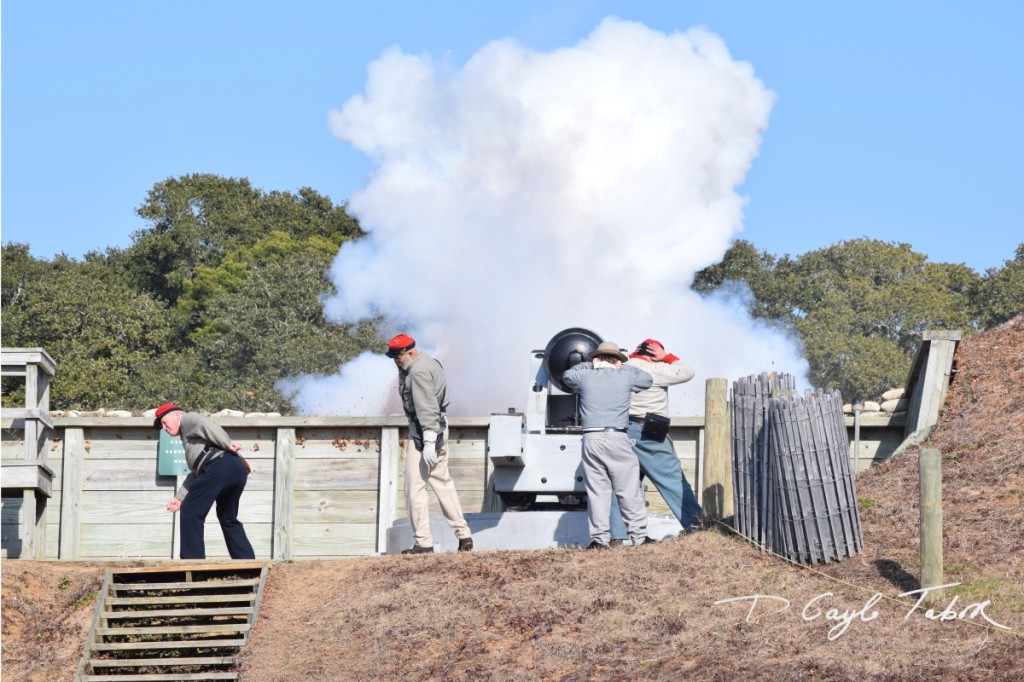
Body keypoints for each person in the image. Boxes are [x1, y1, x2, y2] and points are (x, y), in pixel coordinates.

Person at [609, 339, 705, 541]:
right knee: (672, 479)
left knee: (623, 484)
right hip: (648, 432)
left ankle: (617, 536)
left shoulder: (620, 370)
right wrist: (666, 357)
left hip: (620, 431)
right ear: (653, 353)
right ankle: (696, 524)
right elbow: (687, 371)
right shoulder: (654, 369)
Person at [562, 340, 654, 549]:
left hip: (590, 438)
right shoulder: (626, 375)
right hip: (617, 436)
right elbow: (647, 380)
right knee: (628, 489)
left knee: (597, 491)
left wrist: (588, 364)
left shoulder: (585, 374)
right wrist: (623, 365)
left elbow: (567, 376)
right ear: (617, 360)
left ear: (596, 358)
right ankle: (639, 537)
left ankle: (599, 540)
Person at [386, 333, 473, 554]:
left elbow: (426, 408)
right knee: (443, 483)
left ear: (410, 352)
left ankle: (423, 542)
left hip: (425, 432)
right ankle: (464, 536)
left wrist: (427, 441)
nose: (396, 360)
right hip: (440, 427)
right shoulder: (430, 362)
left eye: (398, 356)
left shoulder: (418, 372)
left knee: (414, 489)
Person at [157, 403, 256, 560]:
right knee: (228, 518)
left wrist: (227, 443)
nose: (164, 428)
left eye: (164, 422)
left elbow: (203, 422)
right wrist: (179, 498)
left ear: (176, 415)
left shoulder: (187, 419)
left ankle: (192, 564)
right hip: (235, 468)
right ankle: (247, 563)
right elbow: (197, 473)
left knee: (190, 512)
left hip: (220, 465)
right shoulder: (192, 440)